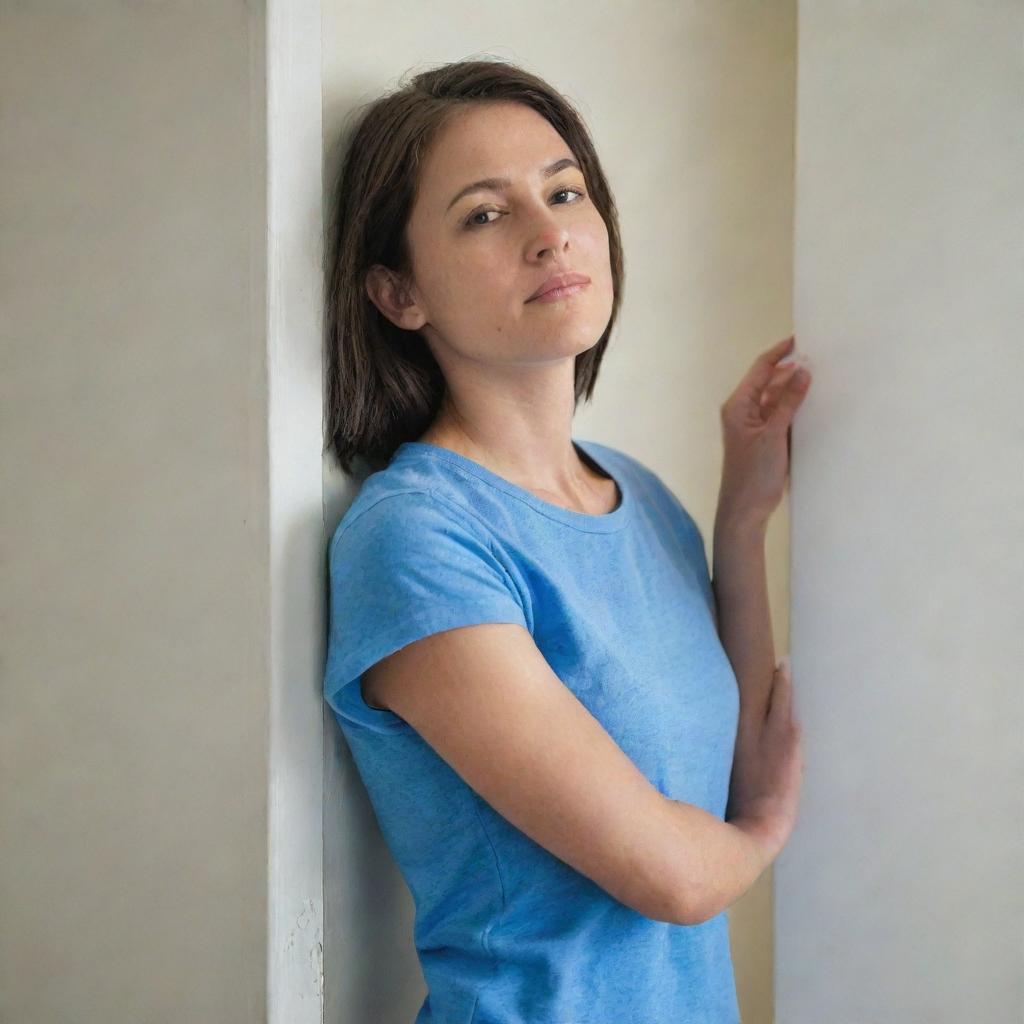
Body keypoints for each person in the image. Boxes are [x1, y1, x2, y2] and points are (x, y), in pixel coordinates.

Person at [322, 57, 807, 1024]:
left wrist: (741, 518)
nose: (551, 235)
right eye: (485, 214)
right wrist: (760, 837)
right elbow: (673, 875)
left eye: (565, 190)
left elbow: (738, 756)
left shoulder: (645, 502)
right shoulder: (416, 538)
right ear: (397, 294)